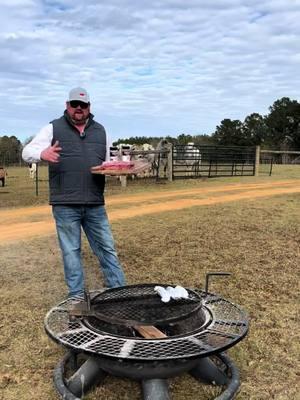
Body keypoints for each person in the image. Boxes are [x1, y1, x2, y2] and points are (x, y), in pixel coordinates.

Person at [22, 87, 126, 298]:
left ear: (89, 107)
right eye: (74, 104)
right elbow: (26, 152)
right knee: (71, 253)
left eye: (83, 105)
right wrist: (42, 153)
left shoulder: (101, 131)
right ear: (67, 105)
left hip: (95, 203)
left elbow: (110, 160)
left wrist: (116, 168)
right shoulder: (53, 128)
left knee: (106, 248)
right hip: (65, 204)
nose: (79, 109)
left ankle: (118, 293)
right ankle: (77, 298)